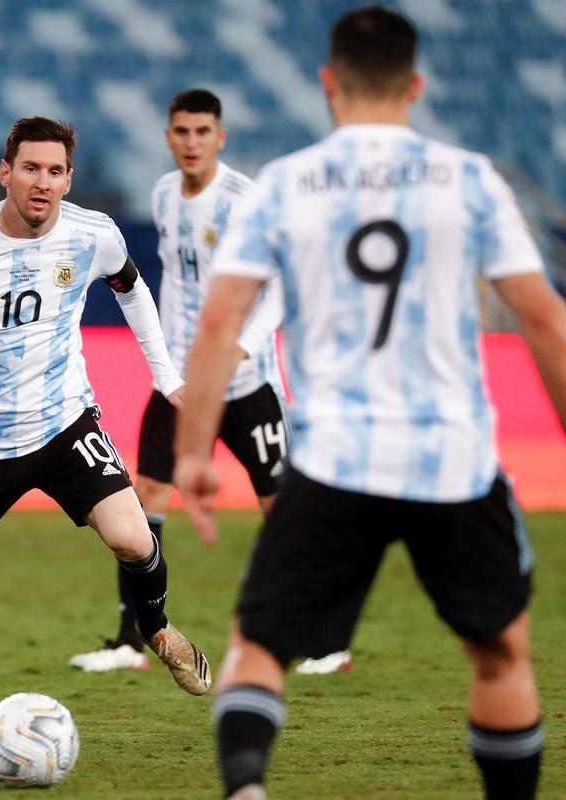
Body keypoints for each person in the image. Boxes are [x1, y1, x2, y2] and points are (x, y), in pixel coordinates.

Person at [172, 7, 566, 800]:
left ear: (328, 83)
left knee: (259, 646)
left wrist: (197, 457)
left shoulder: (285, 184)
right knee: (501, 651)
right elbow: (545, 315)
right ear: (415, 85)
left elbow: (217, 321)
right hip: (453, 462)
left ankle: (246, 788)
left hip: (336, 457)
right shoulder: (470, 178)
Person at [0, 116, 212, 722]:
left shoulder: (94, 234)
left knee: (135, 537)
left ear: (69, 178)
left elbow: (132, 289)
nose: (42, 182)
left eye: (55, 171)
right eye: (30, 168)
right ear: (5, 173)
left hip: (65, 422)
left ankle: (159, 632)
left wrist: (166, 375)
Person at [68, 89, 350, 677]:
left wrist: (243, 346)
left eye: (202, 131)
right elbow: (172, 282)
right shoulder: (164, 194)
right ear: (169, 137)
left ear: (220, 137)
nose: (191, 142)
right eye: (181, 131)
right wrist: (168, 359)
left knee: (282, 508)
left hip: (245, 382)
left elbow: (279, 286)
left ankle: (327, 641)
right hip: (180, 384)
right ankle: (131, 640)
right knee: (142, 498)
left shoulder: (246, 202)